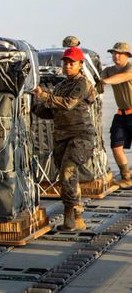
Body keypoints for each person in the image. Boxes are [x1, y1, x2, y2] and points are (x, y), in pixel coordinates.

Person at [32, 46, 96, 231]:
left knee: (68, 171)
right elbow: (50, 112)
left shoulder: (82, 83)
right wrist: (33, 103)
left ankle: (71, 214)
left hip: (80, 136)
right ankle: (76, 215)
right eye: (65, 62)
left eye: (72, 63)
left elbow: (68, 104)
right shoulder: (60, 86)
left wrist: (44, 95)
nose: (67, 66)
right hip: (61, 137)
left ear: (80, 65)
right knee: (66, 177)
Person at [99, 42, 132, 187]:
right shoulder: (109, 70)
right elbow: (96, 79)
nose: (116, 55)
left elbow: (124, 77)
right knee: (116, 145)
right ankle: (126, 177)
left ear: (127, 56)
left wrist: (103, 82)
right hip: (121, 114)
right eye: (114, 53)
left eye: (119, 53)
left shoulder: (130, 68)